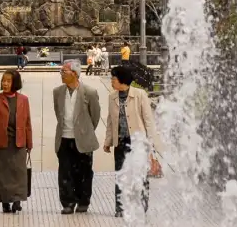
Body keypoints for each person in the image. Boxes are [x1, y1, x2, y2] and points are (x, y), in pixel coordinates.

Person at [103, 65, 158, 217]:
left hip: (138, 143)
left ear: (122, 80)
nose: (111, 82)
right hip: (120, 141)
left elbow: (148, 121)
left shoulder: (140, 95)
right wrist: (108, 141)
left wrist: (151, 145)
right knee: (120, 175)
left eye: (113, 79)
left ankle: (141, 205)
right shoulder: (112, 96)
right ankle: (120, 207)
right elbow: (110, 121)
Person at [53, 59, 101, 214]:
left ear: (74, 73)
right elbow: (58, 113)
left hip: (83, 139)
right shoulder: (57, 92)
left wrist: (85, 130)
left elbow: (95, 116)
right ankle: (67, 202)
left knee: (84, 172)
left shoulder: (90, 92)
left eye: (64, 71)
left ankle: (83, 201)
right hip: (64, 138)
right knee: (65, 172)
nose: (61, 74)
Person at [0, 70, 33, 214]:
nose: (5, 84)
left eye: (8, 81)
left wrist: (29, 143)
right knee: (1, 173)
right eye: (3, 81)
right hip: (1, 143)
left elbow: (27, 122)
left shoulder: (23, 99)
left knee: (18, 173)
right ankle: (5, 201)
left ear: (15, 83)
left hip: (18, 142)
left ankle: (17, 201)